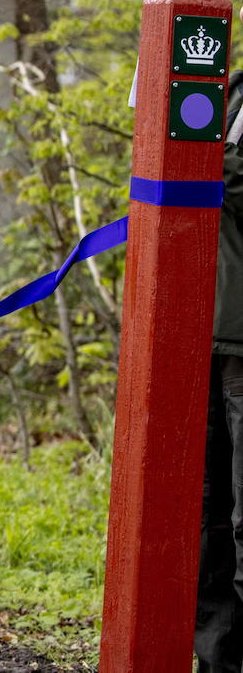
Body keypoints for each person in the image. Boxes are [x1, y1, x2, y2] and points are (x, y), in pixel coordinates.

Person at [196, 68, 243, 672]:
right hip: (208, 333)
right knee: (210, 516)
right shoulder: (230, 87)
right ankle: (216, 662)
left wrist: (200, 157)